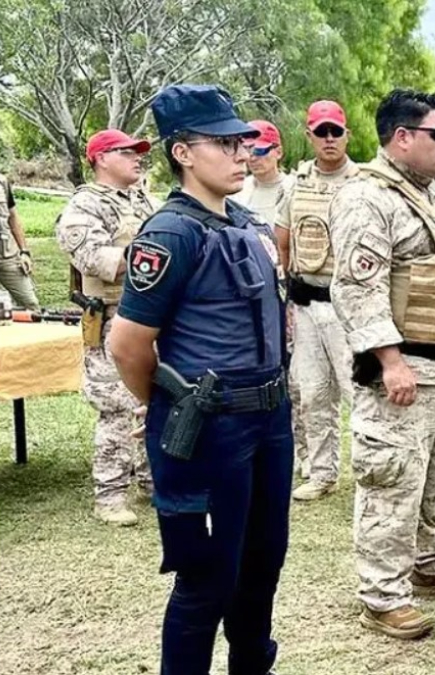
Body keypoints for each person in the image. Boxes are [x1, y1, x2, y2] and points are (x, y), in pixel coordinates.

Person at [108, 84, 292, 675]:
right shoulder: (169, 233)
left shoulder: (245, 220)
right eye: (224, 143)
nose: (243, 153)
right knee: (207, 580)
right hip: (210, 430)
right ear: (183, 152)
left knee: (262, 566)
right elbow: (129, 345)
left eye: (243, 142)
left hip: (268, 421)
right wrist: (172, 408)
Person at [329, 89, 435, 640]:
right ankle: (381, 595)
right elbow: (359, 286)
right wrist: (389, 360)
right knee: (392, 481)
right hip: (404, 370)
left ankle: (428, 563)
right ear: (403, 138)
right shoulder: (366, 197)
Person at [55, 129, 159, 526]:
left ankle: (155, 483)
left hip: (154, 318)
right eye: (127, 152)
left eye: (139, 152)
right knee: (118, 406)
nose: (138, 158)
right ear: (100, 158)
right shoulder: (84, 205)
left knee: (157, 402)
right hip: (113, 317)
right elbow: (94, 258)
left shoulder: (144, 200)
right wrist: (156, 252)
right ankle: (111, 494)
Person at [278, 100, 359, 501]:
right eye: (321, 132)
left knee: (358, 392)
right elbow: (283, 234)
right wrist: (287, 288)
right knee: (311, 391)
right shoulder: (297, 183)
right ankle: (321, 472)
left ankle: (370, 475)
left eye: (336, 131)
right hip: (306, 303)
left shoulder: (364, 182)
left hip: (349, 305)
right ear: (309, 136)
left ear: (347, 135)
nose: (329, 139)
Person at [232, 119, 305, 476]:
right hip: (249, 299)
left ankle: (305, 453)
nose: (253, 159)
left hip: (289, 293)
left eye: (260, 151)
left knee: (299, 379)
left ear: (278, 151)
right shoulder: (237, 191)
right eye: (246, 151)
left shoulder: (295, 189)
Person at [0, 167, 40, 310]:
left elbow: (13, 217)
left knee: (31, 304)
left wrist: (24, 251)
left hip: (6, 253)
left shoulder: (0, 181)